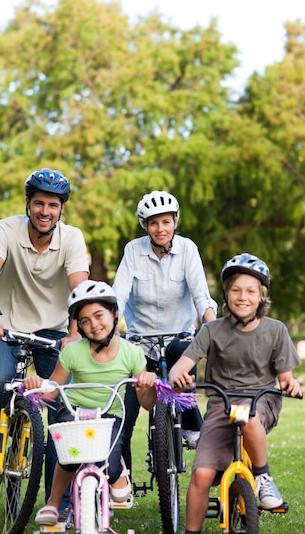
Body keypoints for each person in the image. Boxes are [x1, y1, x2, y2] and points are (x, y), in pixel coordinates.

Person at [0, 168, 90, 506]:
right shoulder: (6, 229)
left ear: (61, 209)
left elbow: (79, 289)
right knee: (0, 382)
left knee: (60, 403)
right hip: (5, 326)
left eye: (52, 205)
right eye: (38, 203)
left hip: (53, 331)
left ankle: (61, 500)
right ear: (28, 203)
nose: (45, 211)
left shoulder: (72, 238)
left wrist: (73, 333)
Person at [168, 252, 302, 534]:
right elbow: (182, 365)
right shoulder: (210, 330)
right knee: (202, 475)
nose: (243, 297)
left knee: (247, 416)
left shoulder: (275, 331)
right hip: (220, 405)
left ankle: (263, 477)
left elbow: (286, 377)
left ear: (261, 296)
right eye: (236, 290)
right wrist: (178, 375)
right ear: (226, 295)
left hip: (260, 400)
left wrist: (290, 383)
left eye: (251, 291)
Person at [24, 280, 157, 526]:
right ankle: (54, 504)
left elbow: (147, 404)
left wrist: (146, 386)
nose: (94, 325)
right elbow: (53, 389)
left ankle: (118, 470)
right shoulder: (73, 352)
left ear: (114, 313)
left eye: (99, 315)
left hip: (110, 416)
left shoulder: (132, 354)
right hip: (73, 411)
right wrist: (37, 384)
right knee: (69, 457)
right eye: (85, 321)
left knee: (111, 468)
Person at [112, 190, 217, 470]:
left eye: (166, 222)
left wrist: (210, 323)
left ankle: (190, 418)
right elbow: (118, 296)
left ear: (175, 221)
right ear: (144, 225)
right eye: (153, 222)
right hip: (140, 343)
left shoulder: (188, 249)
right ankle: (118, 478)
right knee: (125, 412)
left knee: (181, 349)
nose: (161, 228)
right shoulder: (133, 251)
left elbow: (200, 296)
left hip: (178, 339)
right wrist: (109, 330)